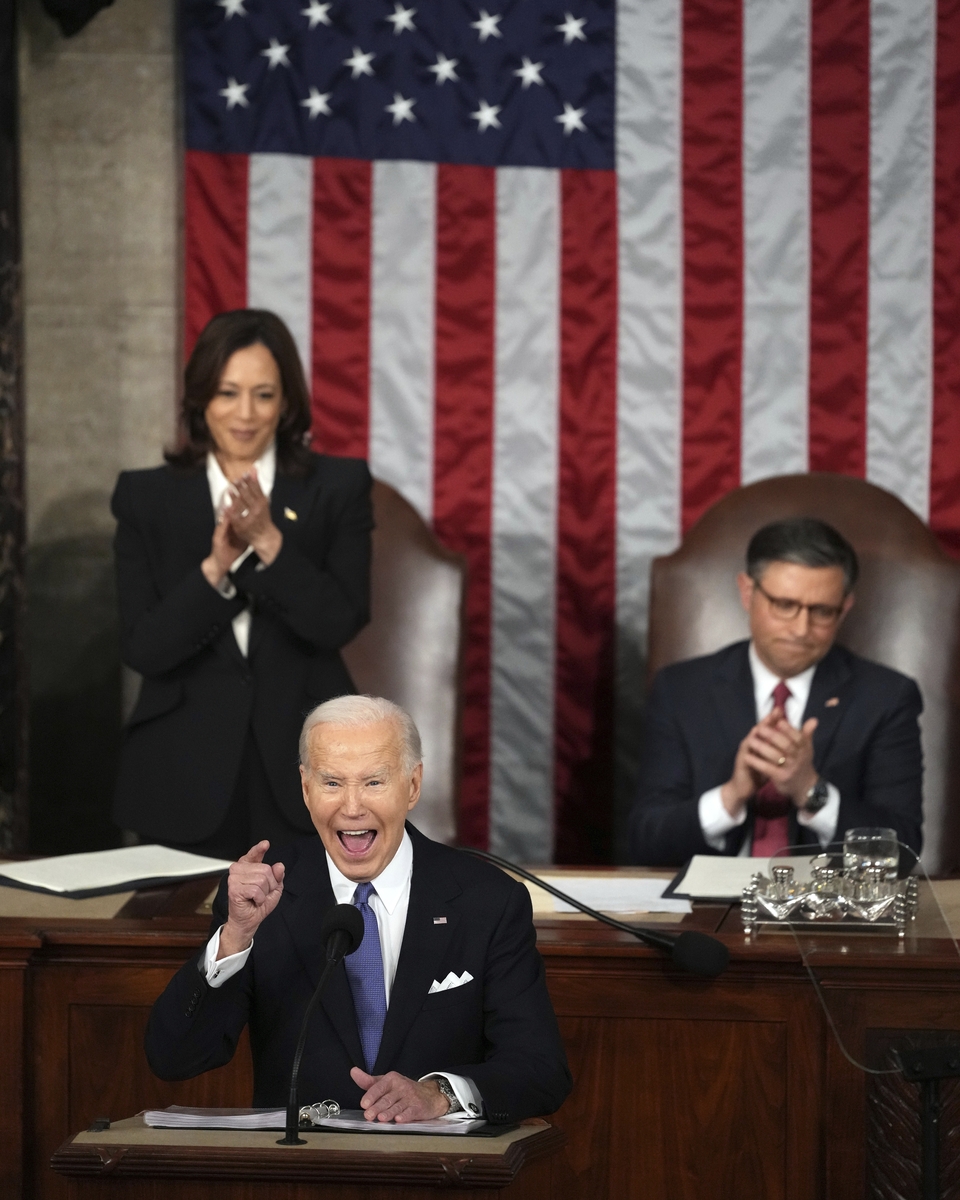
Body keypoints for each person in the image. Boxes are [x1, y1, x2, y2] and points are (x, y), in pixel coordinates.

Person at [145, 696, 572, 1124]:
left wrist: (440, 1094)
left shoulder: (487, 901)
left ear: (413, 785)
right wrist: (236, 935)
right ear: (306, 788)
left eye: (373, 782)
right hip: (300, 1175)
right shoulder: (265, 896)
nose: (352, 807)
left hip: (437, 1176)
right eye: (332, 783)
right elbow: (174, 1059)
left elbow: (540, 1069)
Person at [111, 310, 372, 858]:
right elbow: (145, 647)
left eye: (264, 395)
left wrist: (272, 544)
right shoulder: (145, 498)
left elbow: (339, 620)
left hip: (308, 770)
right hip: (180, 773)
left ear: (287, 402)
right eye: (228, 393)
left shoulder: (338, 486)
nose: (246, 414)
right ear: (200, 397)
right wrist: (214, 571)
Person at [629, 518, 923, 865]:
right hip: (706, 912)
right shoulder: (681, 689)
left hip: (827, 913)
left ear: (844, 609)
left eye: (822, 611)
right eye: (784, 605)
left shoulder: (887, 697)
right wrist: (731, 796)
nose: (801, 629)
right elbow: (645, 843)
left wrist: (810, 791)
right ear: (747, 593)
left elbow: (902, 851)